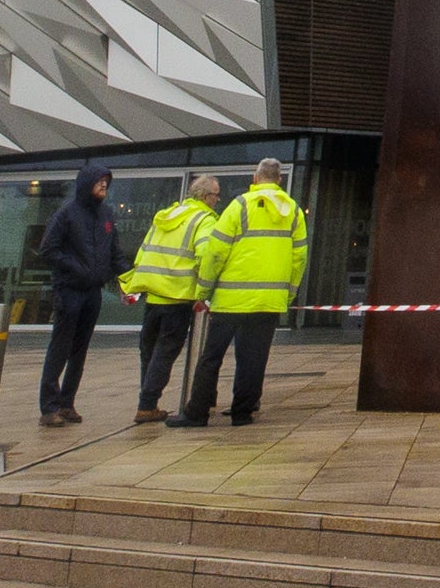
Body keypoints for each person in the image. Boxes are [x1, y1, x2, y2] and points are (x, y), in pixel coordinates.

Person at [175, 156, 307, 429]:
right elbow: (299, 259)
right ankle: (242, 413)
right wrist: (288, 295)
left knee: (211, 357)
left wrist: (203, 289)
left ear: (255, 178)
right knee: (254, 359)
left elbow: (216, 251)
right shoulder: (294, 211)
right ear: (279, 180)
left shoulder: (240, 206)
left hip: (231, 300)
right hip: (268, 302)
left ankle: (197, 413)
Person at [124, 173, 220, 426]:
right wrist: (205, 290)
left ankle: (148, 402)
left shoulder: (166, 215)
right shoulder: (204, 219)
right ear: (205, 197)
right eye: (216, 195)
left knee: (149, 351)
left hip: (154, 295)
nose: (218, 200)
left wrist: (134, 287)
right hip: (178, 296)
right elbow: (206, 256)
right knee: (165, 353)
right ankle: (146, 405)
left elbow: (143, 252)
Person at [33, 163, 117, 426]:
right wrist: (76, 267)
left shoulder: (106, 214)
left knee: (80, 350)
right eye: (99, 180)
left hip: (93, 291)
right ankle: (49, 406)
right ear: (86, 183)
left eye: (106, 181)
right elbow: (48, 249)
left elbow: (115, 252)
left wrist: (127, 277)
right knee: (61, 346)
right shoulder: (67, 213)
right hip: (69, 290)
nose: (104, 185)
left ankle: (67, 403)